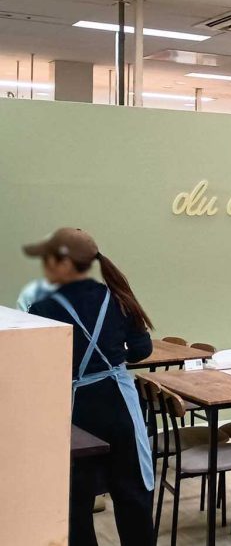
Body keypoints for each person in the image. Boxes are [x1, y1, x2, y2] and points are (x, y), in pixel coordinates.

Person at [23, 228, 155, 546]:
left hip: (75, 411)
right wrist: (113, 361)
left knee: (76, 501)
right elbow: (142, 349)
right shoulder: (118, 296)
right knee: (132, 493)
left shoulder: (42, 308)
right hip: (118, 405)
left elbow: (39, 367)